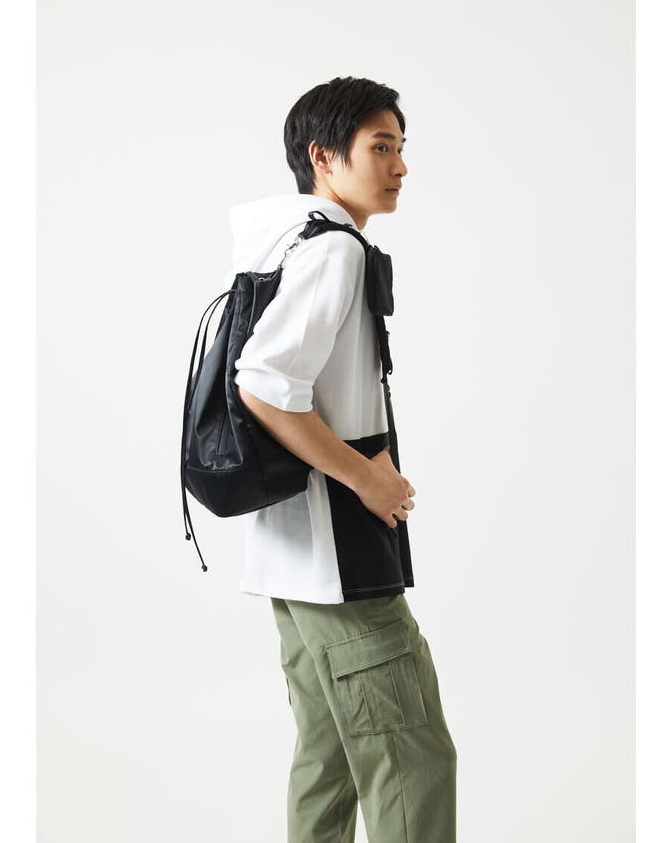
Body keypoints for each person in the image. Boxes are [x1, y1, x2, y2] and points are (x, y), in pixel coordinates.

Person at [222, 76, 457, 842]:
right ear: (324, 157)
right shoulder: (334, 252)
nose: (400, 166)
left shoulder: (280, 244)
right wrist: (367, 479)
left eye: (401, 148)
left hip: (289, 553)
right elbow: (264, 384)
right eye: (381, 147)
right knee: (412, 761)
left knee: (328, 762)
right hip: (341, 559)